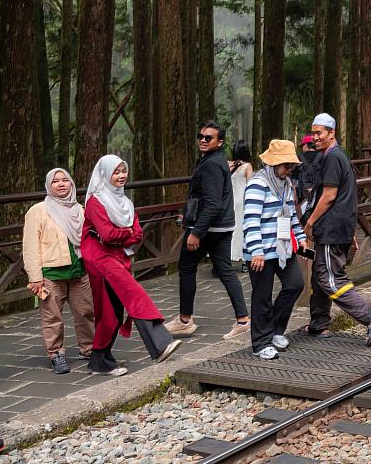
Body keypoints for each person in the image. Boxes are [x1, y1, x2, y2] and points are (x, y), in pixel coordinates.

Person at [82, 155, 181, 376]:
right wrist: (126, 234)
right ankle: (160, 343)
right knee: (133, 294)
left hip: (118, 257)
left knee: (112, 312)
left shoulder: (125, 203)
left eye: (123, 171)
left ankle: (100, 361)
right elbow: (107, 235)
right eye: (115, 172)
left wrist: (124, 235)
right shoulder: (95, 202)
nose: (121, 176)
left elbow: (137, 233)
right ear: (105, 174)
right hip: (100, 258)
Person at [302, 113, 371, 345]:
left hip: (330, 227)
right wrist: (351, 233)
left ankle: (370, 314)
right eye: (313, 133)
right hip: (338, 227)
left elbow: (329, 196)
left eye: (319, 133)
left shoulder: (333, 158)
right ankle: (319, 323)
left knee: (329, 277)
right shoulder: (335, 157)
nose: (315, 138)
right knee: (320, 276)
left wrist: (310, 222)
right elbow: (349, 197)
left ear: (332, 133)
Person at [166, 121, 251, 340]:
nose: (202, 140)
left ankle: (185, 320)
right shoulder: (215, 160)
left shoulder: (212, 164)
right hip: (222, 225)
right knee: (224, 269)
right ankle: (243, 319)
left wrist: (196, 232)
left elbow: (212, 202)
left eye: (208, 138)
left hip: (210, 227)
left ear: (220, 142)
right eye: (200, 136)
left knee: (186, 266)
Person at [22, 168, 94, 374]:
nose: (61, 184)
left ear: (71, 184)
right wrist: (35, 277)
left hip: (79, 269)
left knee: (86, 311)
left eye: (65, 180)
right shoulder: (38, 211)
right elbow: (30, 247)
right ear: (48, 186)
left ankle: (88, 348)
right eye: (56, 181)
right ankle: (56, 353)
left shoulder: (79, 209)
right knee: (52, 315)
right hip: (52, 273)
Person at [243, 140, 309, 360]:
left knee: (295, 284)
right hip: (261, 250)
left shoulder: (287, 184)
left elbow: (291, 215)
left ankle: (275, 329)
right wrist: (256, 251)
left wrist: (300, 239)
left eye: (291, 165)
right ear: (273, 164)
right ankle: (261, 343)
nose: (289, 169)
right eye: (285, 165)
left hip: (282, 247)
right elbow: (250, 220)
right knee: (262, 297)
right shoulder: (257, 184)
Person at [229, 140, 254, 271]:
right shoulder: (248, 167)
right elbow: (250, 184)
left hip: (230, 200)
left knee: (230, 229)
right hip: (243, 201)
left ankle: (226, 257)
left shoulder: (229, 165)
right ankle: (245, 260)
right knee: (243, 230)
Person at [292, 135, 320, 210]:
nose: (302, 148)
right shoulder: (323, 156)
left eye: (302, 146)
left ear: (305, 144)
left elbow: (294, 178)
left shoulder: (299, 158)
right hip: (319, 195)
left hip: (303, 197)